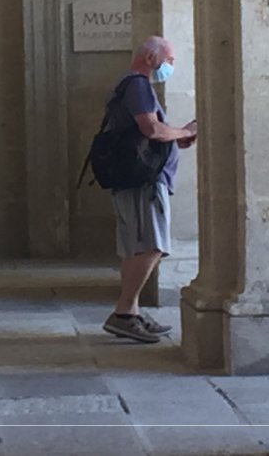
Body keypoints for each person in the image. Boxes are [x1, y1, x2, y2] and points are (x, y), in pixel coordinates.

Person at [102, 36, 196, 344]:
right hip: (144, 181)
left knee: (138, 246)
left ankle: (132, 312)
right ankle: (124, 312)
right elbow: (151, 129)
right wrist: (183, 132)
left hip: (137, 180)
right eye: (169, 60)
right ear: (151, 58)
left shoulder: (130, 85)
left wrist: (176, 137)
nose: (171, 66)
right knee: (153, 245)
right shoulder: (138, 85)